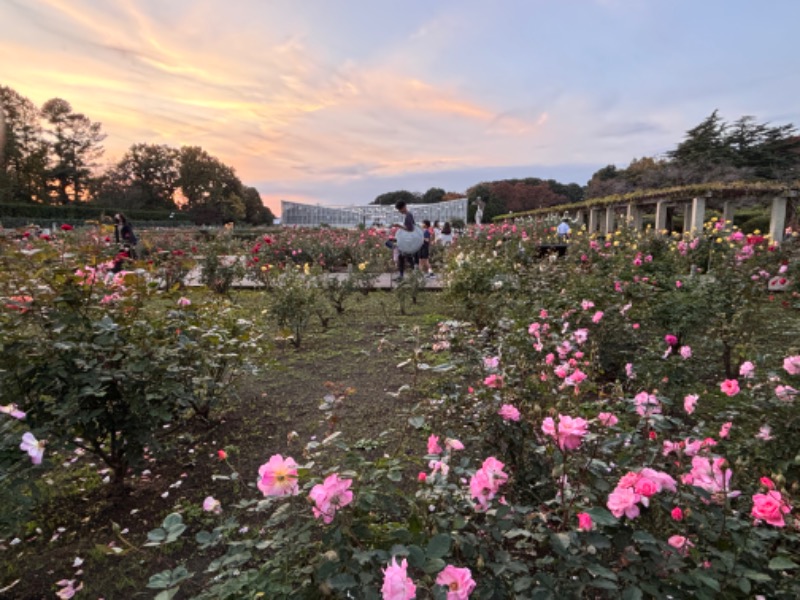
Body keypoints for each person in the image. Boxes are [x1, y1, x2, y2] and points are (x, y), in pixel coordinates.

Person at [391, 201, 419, 282]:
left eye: (400, 209)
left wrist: (399, 226)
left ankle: (407, 275)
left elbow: (410, 229)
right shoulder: (408, 215)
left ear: (403, 207)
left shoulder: (408, 216)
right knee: (404, 258)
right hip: (408, 241)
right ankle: (408, 275)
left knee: (405, 258)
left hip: (408, 242)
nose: (400, 211)